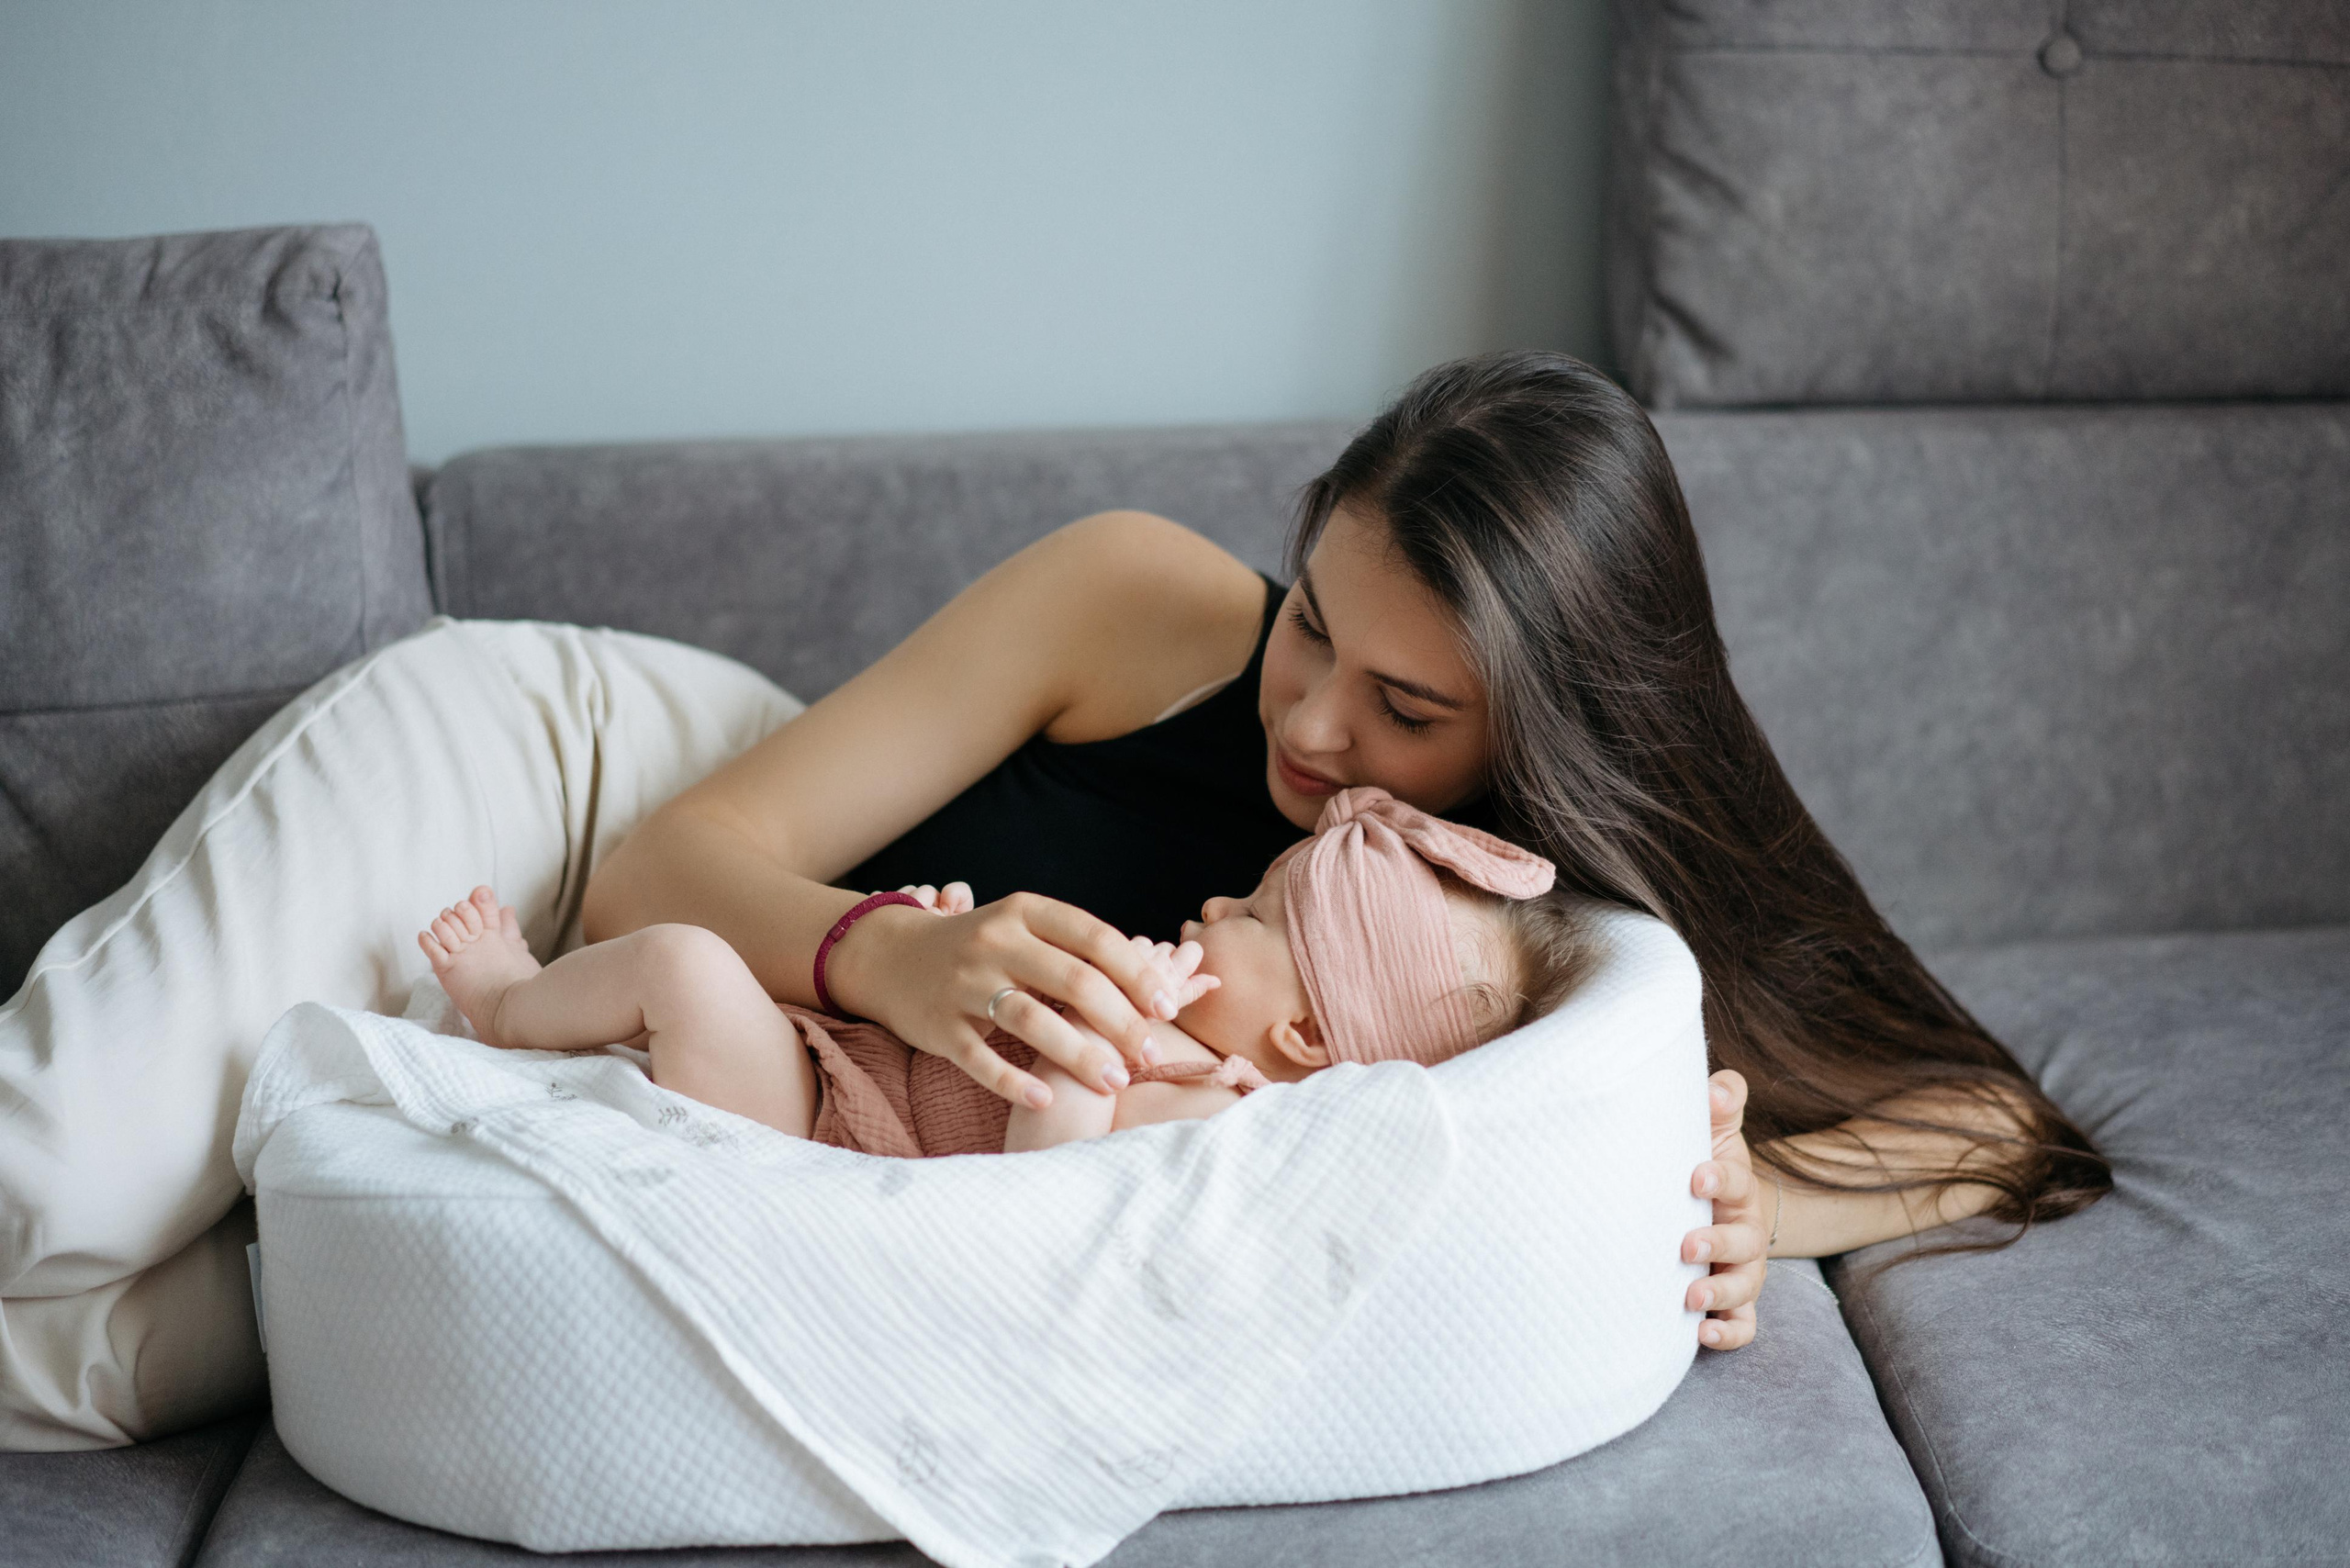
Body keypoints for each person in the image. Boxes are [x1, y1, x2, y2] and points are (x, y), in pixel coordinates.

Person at [580, 350, 2111, 1350]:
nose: (1309, 729)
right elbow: (649, 872)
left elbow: (1985, 1120)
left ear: (1537, 743)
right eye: (1313, 618)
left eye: (1408, 706)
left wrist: (1762, 1213)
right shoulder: (1136, 603)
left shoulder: (1485, 938)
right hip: (712, 1019)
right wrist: (891, 952)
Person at [416, 788, 1591, 1157]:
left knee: (682, 964)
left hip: (833, 1131)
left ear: (1302, 1040)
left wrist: (1103, 1054)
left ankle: (512, 1004)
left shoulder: (1211, 1107)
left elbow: (1042, 1197)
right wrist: (934, 936)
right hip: (861, 1059)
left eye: (1261, 914)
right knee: (695, 973)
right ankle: (550, 1030)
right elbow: (970, 1022)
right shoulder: (1182, 1030)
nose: (1219, 903)